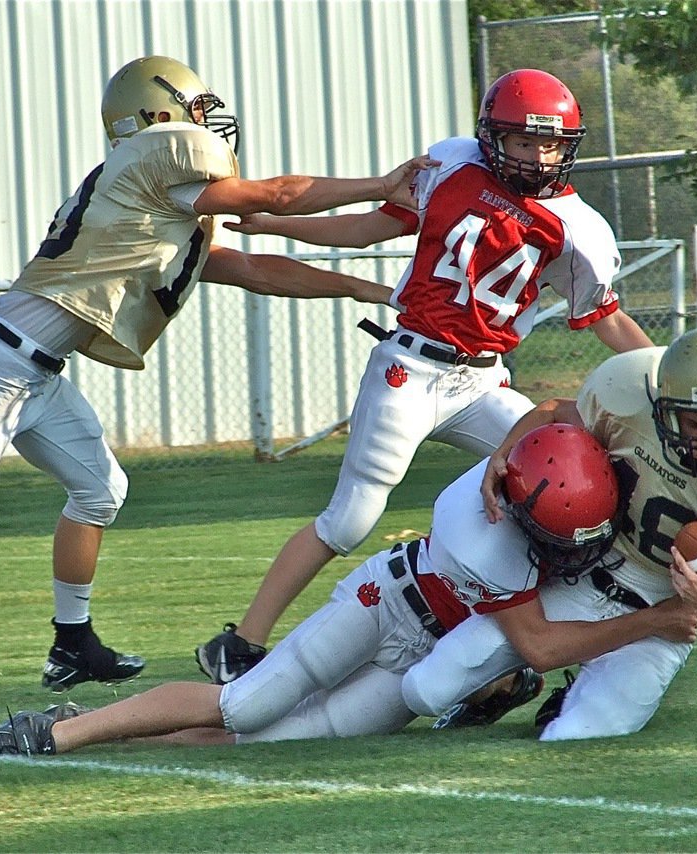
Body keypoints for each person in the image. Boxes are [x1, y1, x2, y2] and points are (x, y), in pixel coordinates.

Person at [0, 55, 433, 727]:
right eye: (196, 109)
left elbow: (255, 270)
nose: (207, 123)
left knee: (101, 490)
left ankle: (72, 644)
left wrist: (365, 288)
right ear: (159, 114)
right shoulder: (159, 156)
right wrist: (381, 184)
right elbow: (276, 196)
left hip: (33, 370)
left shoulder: (154, 202)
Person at [194, 68, 655, 684]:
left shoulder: (579, 227)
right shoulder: (452, 164)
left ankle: (549, 663)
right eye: (523, 141)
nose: (537, 156)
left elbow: (607, 319)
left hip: (483, 382)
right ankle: (241, 642)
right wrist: (279, 224)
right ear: (492, 136)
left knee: (573, 493)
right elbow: (365, 230)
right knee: (350, 520)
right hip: (409, 369)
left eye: (550, 144)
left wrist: (662, 377)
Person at [0, 424, 697, 758]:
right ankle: (53, 735)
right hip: (386, 607)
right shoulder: (483, 533)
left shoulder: (550, 474)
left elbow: (556, 413)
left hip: (421, 653)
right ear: (514, 506)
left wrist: (516, 439)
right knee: (246, 705)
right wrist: (657, 619)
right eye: (554, 535)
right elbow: (537, 642)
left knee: (270, 741)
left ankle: (104, 730)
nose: (570, 552)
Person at [410, 326, 697, 740]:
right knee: (427, 688)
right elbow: (553, 410)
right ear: (664, 409)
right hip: (580, 583)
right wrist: (502, 454)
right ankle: (515, 683)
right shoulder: (629, 412)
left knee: (573, 736)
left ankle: (575, 696)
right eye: (694, 424)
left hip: (663, 621)